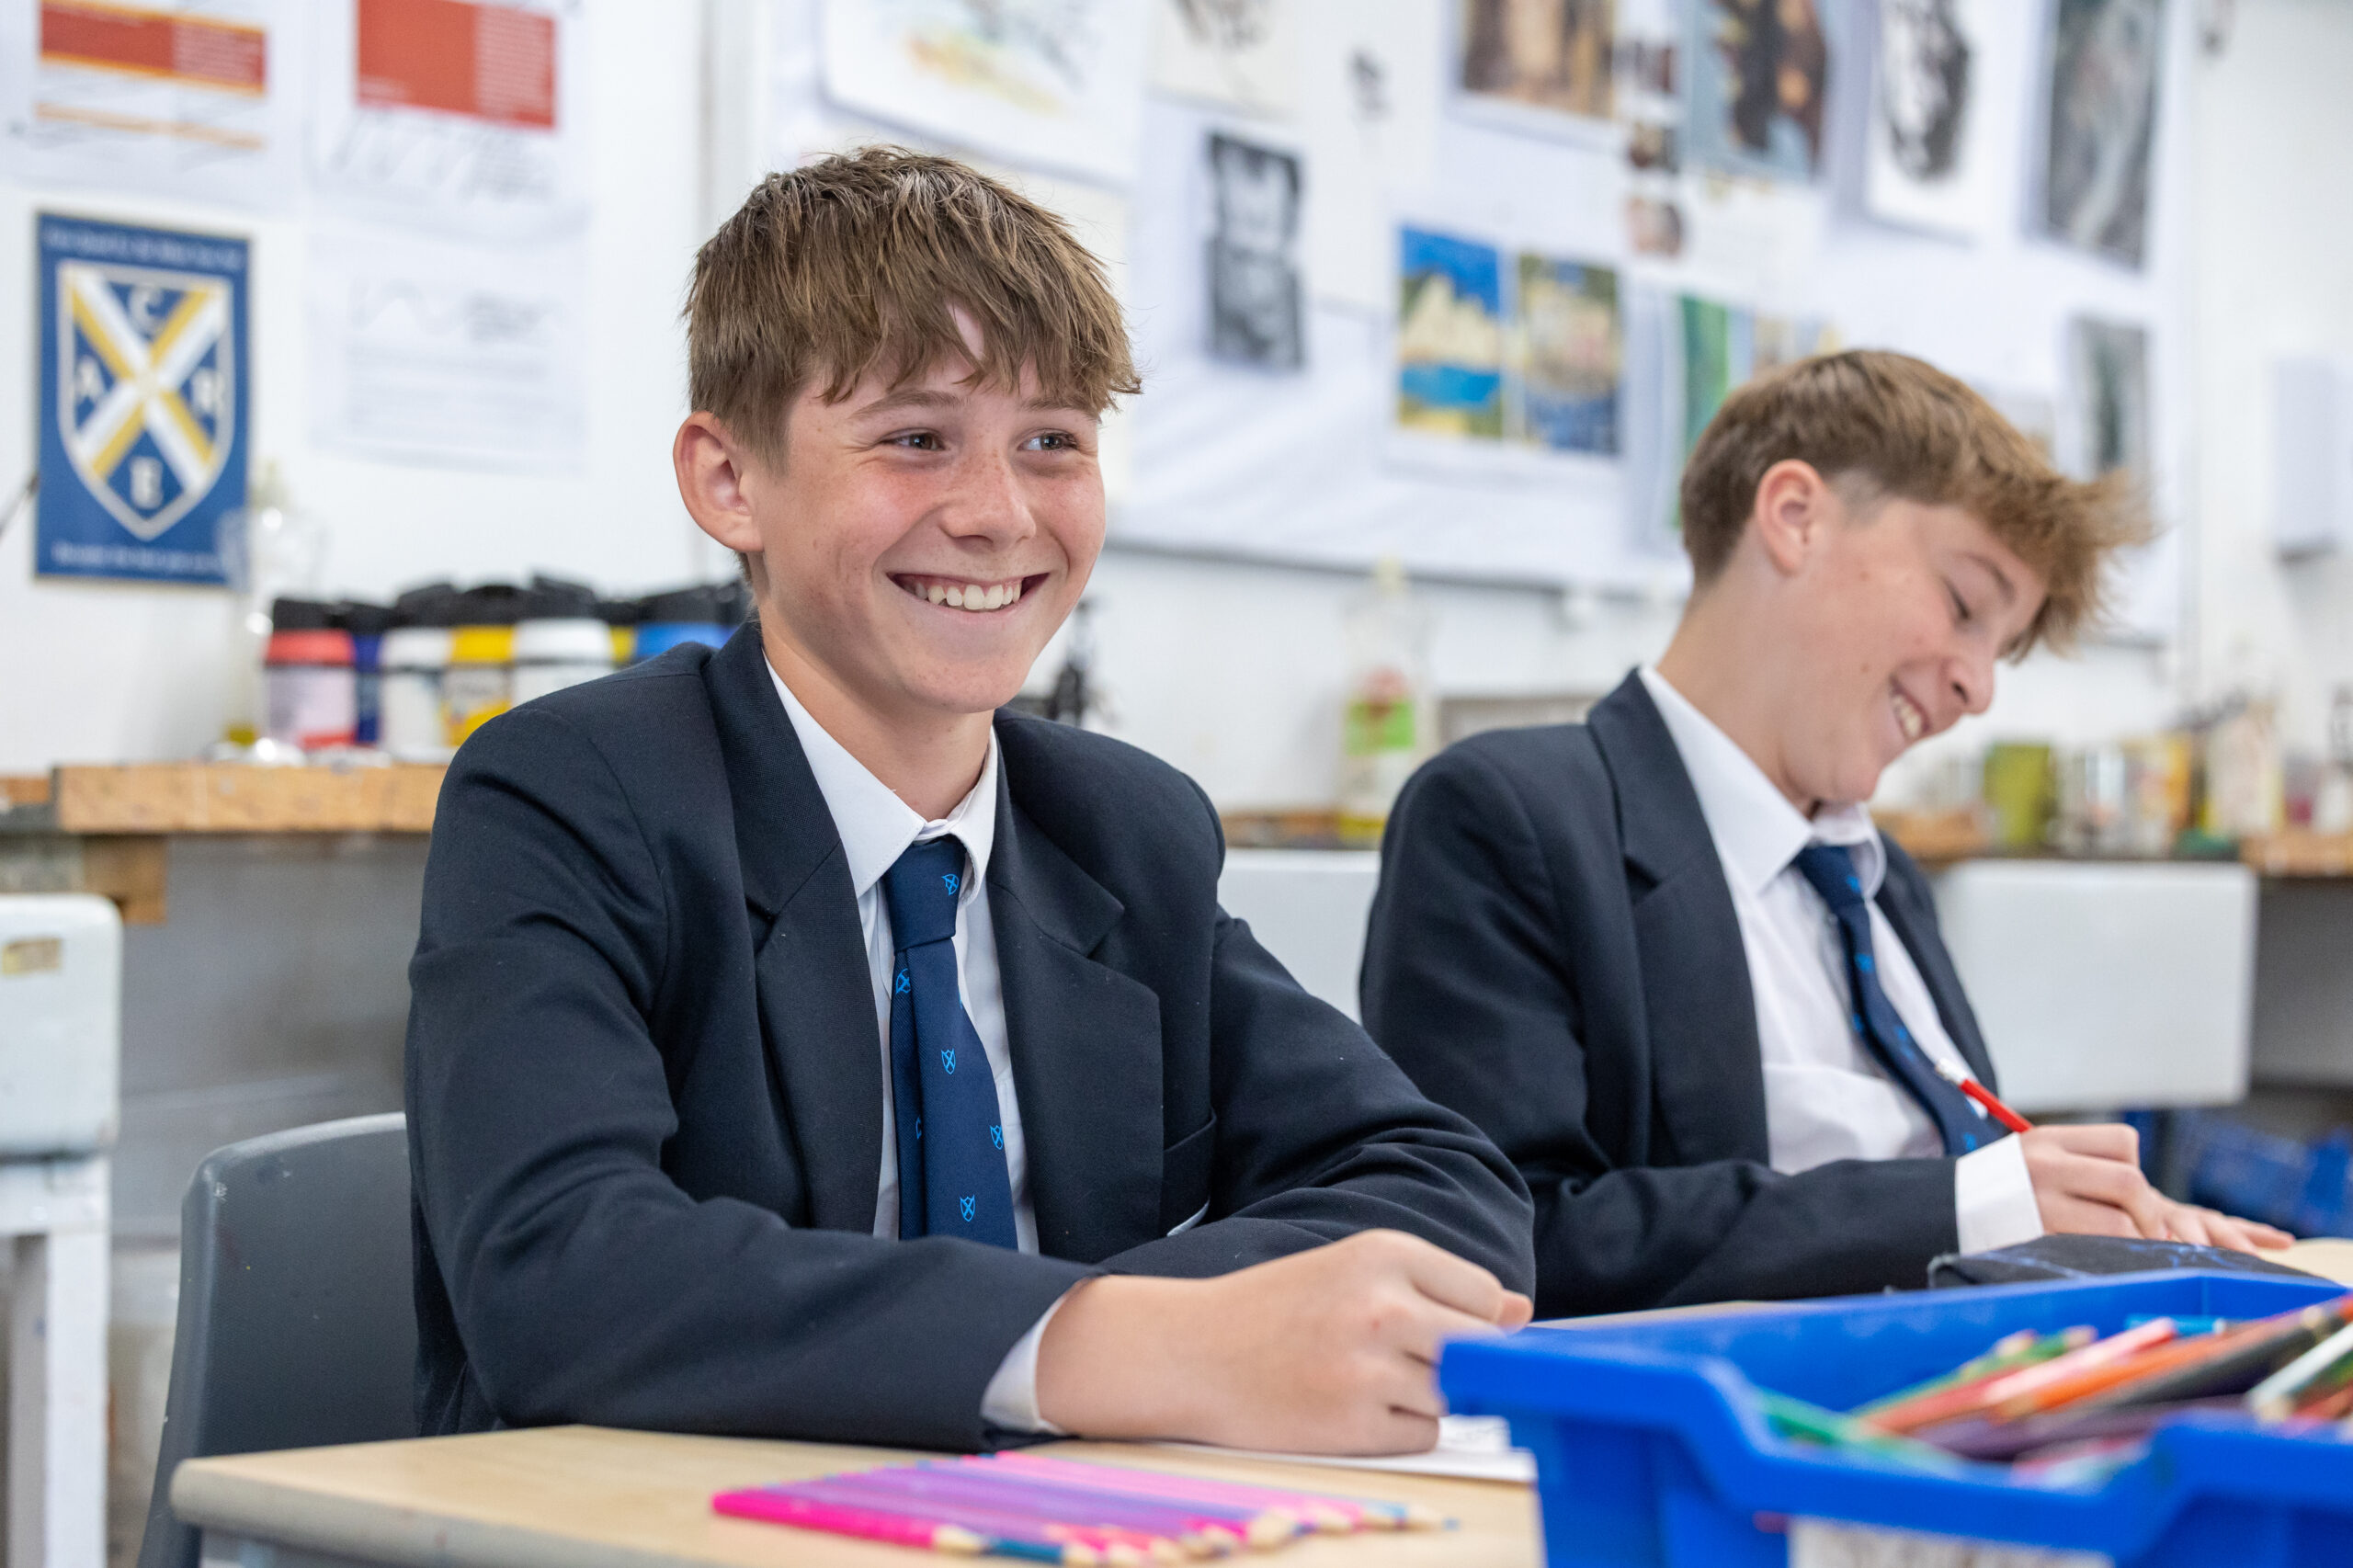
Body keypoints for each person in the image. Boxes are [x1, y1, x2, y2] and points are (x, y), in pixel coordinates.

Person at [404, 147, 1534, 1457]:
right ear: (730, 482)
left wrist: (1120, 1337)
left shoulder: (1122, 828)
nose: (999, 515)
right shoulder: (573, 797)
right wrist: (1116, 1346)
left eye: (1053, 442)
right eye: (916, 438)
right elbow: (562, 1274)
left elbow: (1447, 1187)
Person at [1359, 350, 2288, 1319]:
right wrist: (1971, 1204)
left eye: (1997, 645)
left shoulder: (1880, 884)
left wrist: (2110, 1229)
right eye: (1964, 606)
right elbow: (1508, 1236)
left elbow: (1963, 1199)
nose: (1978, 685)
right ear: (1793, 517)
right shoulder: (1510, 820)